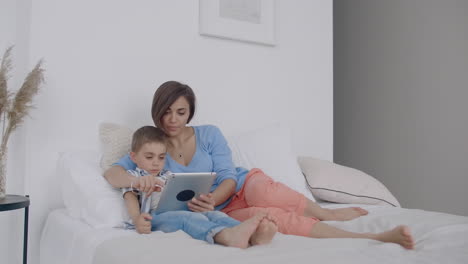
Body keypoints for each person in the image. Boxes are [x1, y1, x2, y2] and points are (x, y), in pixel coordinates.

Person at [105, 81, 415, 250]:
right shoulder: (151, 148)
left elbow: (227, 174)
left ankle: (327, 211)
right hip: (220, 211)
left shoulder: (209, 134)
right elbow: (114, 173)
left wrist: (214, 195)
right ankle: (372, 238)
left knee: (268, 192)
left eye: (181, 112)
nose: (173, 119)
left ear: (190, 113)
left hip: (237, 187)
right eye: (167, 112)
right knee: (277, 218)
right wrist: (135, 184)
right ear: (156, 112)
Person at [122, 125, 277, 248]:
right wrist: (137, 219)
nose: (156, 162)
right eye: (149, 157)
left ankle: (251, 233)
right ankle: (225, 236)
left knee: (213, 215)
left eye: (161, 157)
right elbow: (130, 198)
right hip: (154, 218)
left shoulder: (168, 175)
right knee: (186, 218)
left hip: (180, 210)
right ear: (134, 157)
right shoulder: (134, 176)